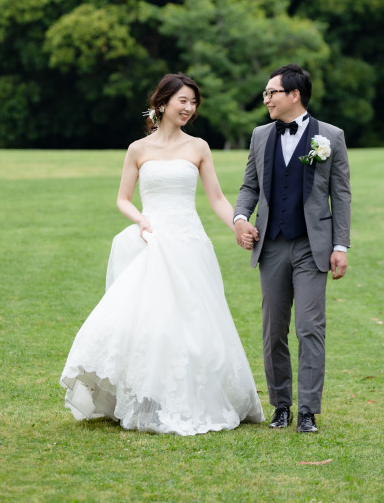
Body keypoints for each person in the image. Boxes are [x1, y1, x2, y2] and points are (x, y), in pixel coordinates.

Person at [60, 72, 264, 435]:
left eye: (193, 102)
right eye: (183, 100)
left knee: (194, 320)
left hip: (189, 241)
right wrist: (140, 219)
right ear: (163, 103)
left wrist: (237, 221)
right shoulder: (138, 150)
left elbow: (216, 197)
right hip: (152, 239)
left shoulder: (199, 147)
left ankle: (195, 398)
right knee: (149, 318)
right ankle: (144, 396)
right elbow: (122, 198)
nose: (189, 108)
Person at [233, 63, 351, 434]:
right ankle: (281, 405)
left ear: (294, 95)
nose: (266, 99)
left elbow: (341, 195)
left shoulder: (331, 136)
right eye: (266, 93)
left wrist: (340, 245)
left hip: (312, 247)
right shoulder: (260, 135)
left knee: (309, 328)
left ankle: (308, 411)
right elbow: (249, 186)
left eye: (272, 92)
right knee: (273, 331)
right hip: (271, 245)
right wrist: (240, 218)